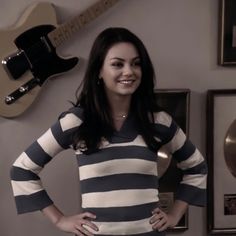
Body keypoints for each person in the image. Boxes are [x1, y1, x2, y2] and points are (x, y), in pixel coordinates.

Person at [10, 27, 207, 236]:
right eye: (117, 64)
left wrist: (175, 215)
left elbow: (197, 167)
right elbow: (22, 170)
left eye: (136, 63)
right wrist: (59, 220)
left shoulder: (158, 121)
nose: (129, 71)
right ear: (99, 71)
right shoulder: (76, 122)